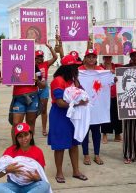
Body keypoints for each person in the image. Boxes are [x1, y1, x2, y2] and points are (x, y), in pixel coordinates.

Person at [48, 55, 88, 183]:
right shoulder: (58, 81)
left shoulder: (72, 80)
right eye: (75, 66)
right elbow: (59, 102)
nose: (77, 68)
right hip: (59, 115)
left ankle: (76, 171)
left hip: (72, 116)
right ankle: (59, 173)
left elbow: (82, 94)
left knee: (74, 144)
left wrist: (77, 83)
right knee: (60, 146)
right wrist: (77, 104)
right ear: (68, 67)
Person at [0, 123, 50, 193]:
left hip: (31, 185)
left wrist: (36, 178)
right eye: (20, 136)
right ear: (16, 139)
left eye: (26, 135)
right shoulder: (10, 151)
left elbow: (41, 174)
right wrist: (7, 170)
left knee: (45, 185)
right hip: (13, 185)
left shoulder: (38, 151)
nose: (23, 139)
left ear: (31, 135)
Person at [79, 49, 106, 166]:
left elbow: (106, 83)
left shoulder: (101, 70)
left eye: (93, 57)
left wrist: (112, 80)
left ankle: (96, 154)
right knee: (85, 130)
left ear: (96, 58)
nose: (91, 59)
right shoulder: (79, 70)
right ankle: (85, 154)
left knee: (96, 131)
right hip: (83, 105)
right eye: (88, 57)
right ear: (84, 58)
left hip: (96, 105)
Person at [10, 64, 45, 142]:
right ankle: (15, 146)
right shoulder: (14, 65)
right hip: (19, 99)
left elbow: (43, 85)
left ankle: (29, 145)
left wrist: (38, 80)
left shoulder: (35, 68)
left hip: (33, 98)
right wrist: (4, 79)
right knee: (16, 123)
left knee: (31, 123)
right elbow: (8, 83)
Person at [35, 43, 58, 137]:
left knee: (43, 109)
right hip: (33, 89)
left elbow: (55, 57)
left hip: (44, 89)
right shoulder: (30, 64)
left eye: (42, 56)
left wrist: (50, 47)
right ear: (34, 58)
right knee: (32, 110)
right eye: (39, 57)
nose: (41, 58)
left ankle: (44, 129)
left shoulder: (46, 64)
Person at [100, 56, 123, 143]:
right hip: (104, 96)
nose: (108, 59)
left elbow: (125, 70)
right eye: (106, 57)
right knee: (105, 115)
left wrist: (116, 73)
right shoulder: (100, 68)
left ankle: (117, 134)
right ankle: (104, 135)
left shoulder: (117, 66)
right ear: (103, 58)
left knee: (118, 116)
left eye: (109, 57)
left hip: (117, 95)